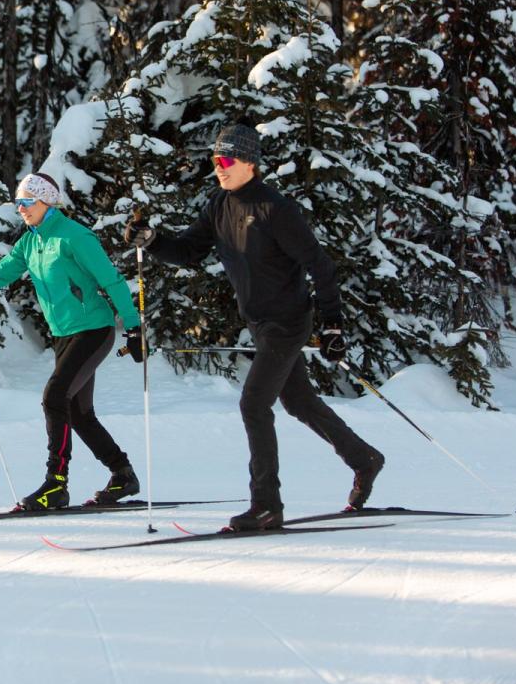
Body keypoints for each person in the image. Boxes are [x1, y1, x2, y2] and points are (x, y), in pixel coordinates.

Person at [125, 122, 384, 530]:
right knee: (298, 402)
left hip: (288, 322)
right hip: (261, 324)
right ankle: (364, 459)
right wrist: (154, 240)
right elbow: (189, 252)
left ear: (250, 163)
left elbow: (321, 265)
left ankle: (267, 505)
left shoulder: (275, 209)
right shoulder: (218, 206)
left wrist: (332, 325)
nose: (220, 168)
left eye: (226, 160)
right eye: (215, 161)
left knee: (253, 404)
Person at [0, 172, 146, 511]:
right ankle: (122, 473)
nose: (21, 209)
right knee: (78, 412)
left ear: (47, 201)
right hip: (63, 335)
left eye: (27, 202)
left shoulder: (75, 237)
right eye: (18, 203)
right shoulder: (29, 242)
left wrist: (133, 328)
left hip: (94, 329)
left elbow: (113, 280)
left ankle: (55, 484)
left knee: (54, 397)